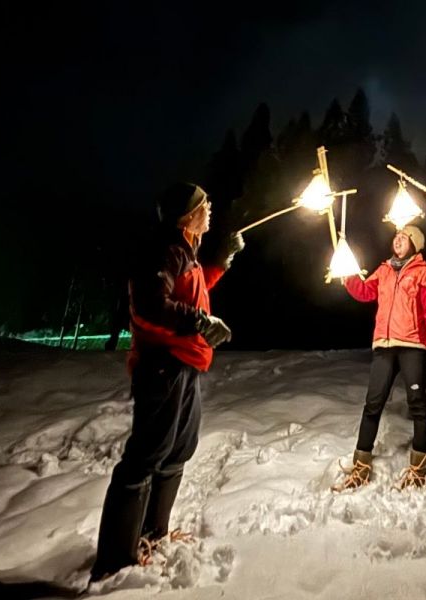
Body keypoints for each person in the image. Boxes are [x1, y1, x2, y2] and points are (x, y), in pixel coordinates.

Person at [90, 182, 244, 581]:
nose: (210, 208)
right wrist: (199, 322)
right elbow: (150, 304)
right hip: (162, 364)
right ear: (186, 215)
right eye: (204, 203)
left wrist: (220, 263)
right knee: (145, 456)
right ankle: (115, 559)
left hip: (186, 363)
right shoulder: (166, 249)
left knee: (178, 448)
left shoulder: (185, 252)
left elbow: (190, 292)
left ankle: (153, 534)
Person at [334, 225, 426, 491]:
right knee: (373, 404)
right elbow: (364, 291)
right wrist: (346, 272)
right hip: (383, 345)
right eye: (397, 236)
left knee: (417, 404)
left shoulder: (423, 272)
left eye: (405, 237)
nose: (398, 239)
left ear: (415, 245)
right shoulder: (383, 270)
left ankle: (418, 469)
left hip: (412, 346)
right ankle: (361, 466)